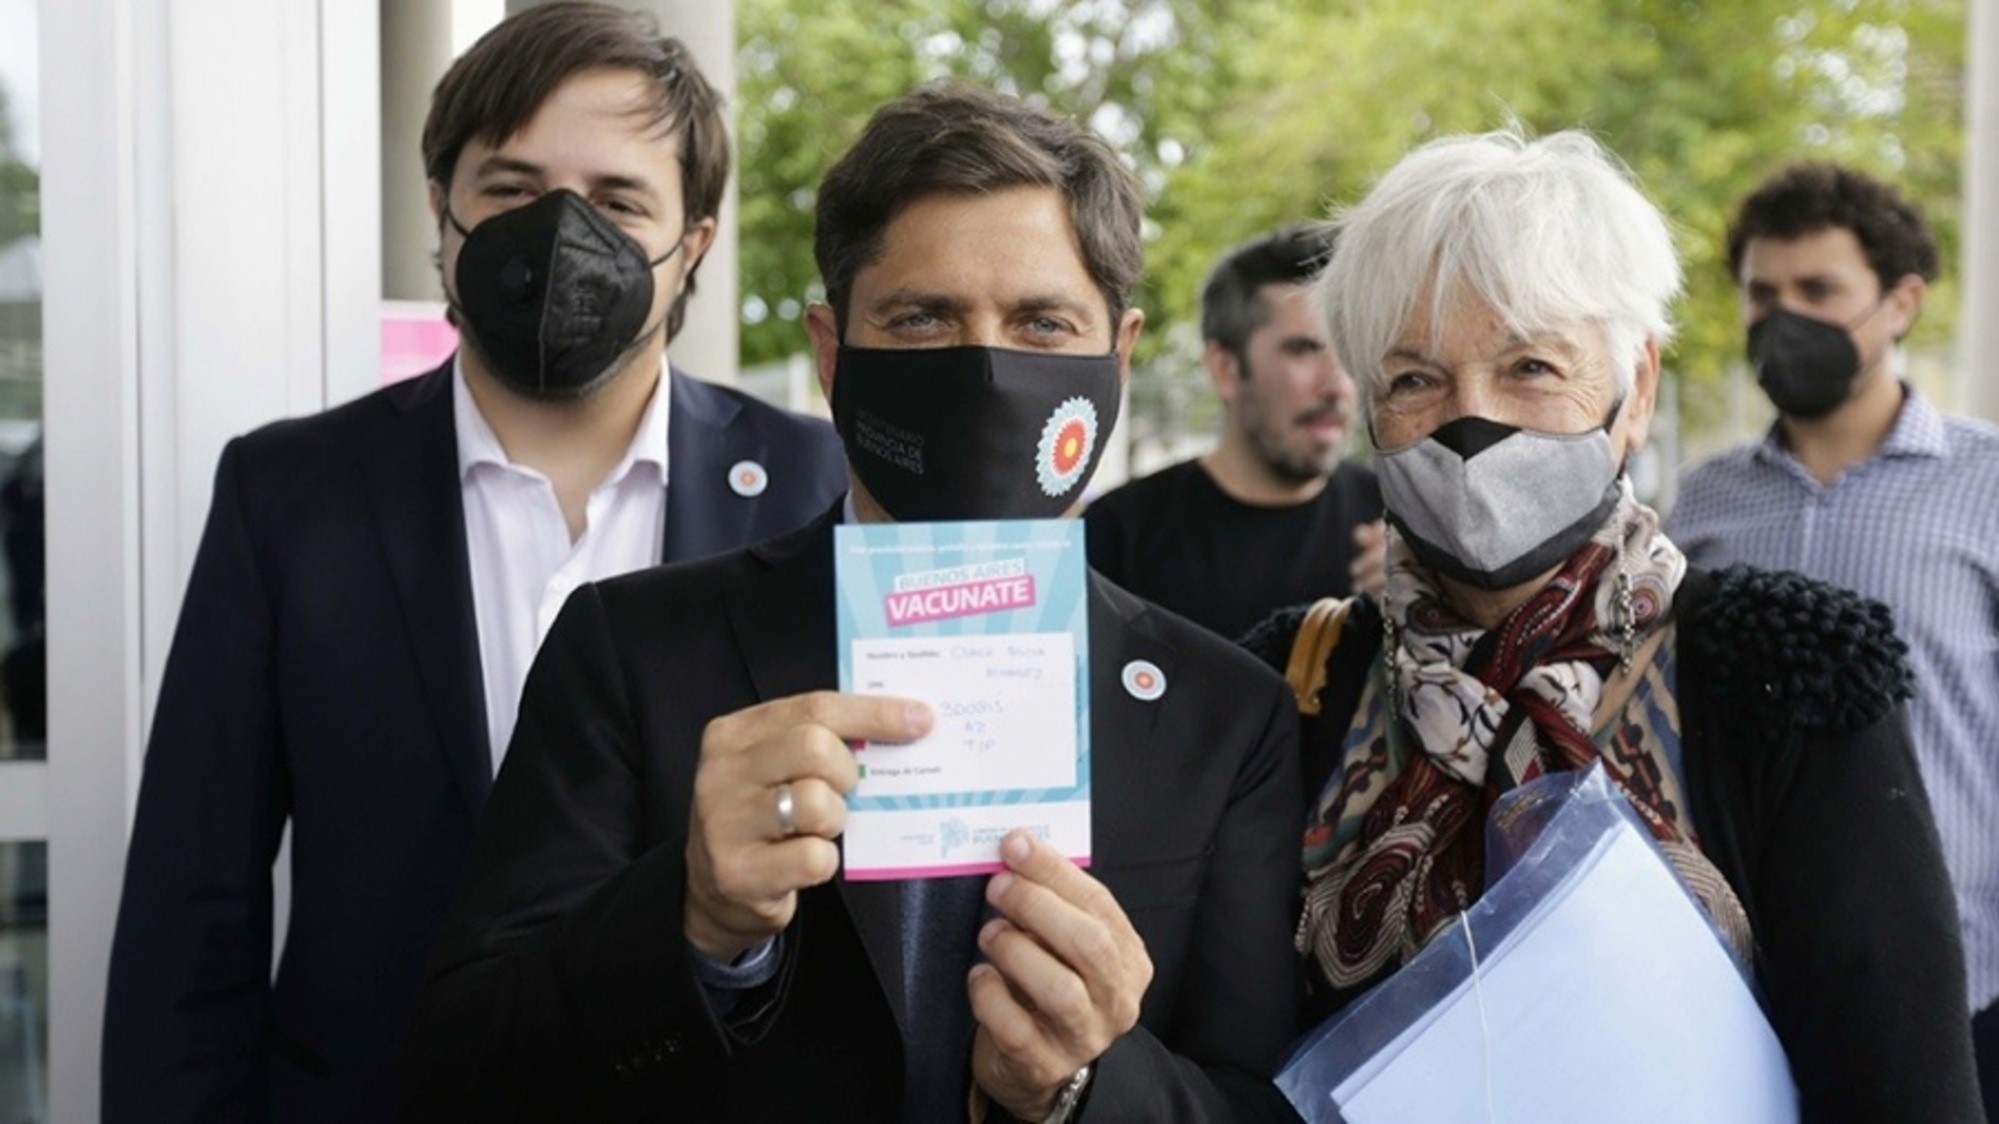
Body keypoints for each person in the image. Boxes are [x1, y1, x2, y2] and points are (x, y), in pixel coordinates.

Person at [405, 82, 1301, 1122]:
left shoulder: (1225, 714)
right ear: (832, 353)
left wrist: (1086, 1084)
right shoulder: (631, 649)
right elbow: (460, 1065)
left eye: (1041, 322)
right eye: (921, 319)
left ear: (1120, 354)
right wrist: (688, 917)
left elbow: (1255, 1098)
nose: (983, 366)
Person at [101, 6, 846, 1120]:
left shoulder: (813, 486)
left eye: (616, 199)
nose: (559, 230)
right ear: (439, 214)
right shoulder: (289, 492)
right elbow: (192, 904)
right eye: (510, 187)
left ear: (691, 242)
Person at [1241, 130, 1982, 1118]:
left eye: (1531, 365)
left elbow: (1900, 1081)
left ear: (1635, 387)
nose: (1473, 420)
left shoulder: (1783, 671)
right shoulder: (1298, 682)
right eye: (1414, 377)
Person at [1666, 162, 1999, 1116]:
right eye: (1762, 294)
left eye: (1818, 291)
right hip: (1751, 993)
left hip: (1963, 987)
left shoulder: (1983, 485)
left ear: (1899, 304)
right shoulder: (1704, 504)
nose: (1782, 318)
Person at [1086, 226, 1383, 639]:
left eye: (1349, 351)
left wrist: (1428, 610)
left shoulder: (1401, 528)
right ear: (1226, 369)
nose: (1337, 385)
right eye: (1304, 350)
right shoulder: (1117, 537)